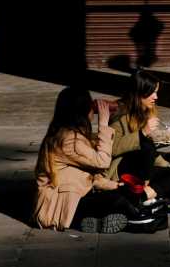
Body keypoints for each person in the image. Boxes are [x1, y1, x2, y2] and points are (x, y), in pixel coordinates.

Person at [33, 86, 128, 233]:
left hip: (74, 196)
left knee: (122, 195)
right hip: (61, 207)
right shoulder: (69, 139)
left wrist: (113, 185)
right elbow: (102, 161)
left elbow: (82, 175)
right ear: (82, 112)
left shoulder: (65, 133)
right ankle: (86, 221)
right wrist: (103, 124)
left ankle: (92, 222)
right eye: (90, 107)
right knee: (119, 201)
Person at [102, 70, 170, 205]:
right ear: (139, 93)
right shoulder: (120, 114)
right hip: (125, 170)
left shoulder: (147, 111)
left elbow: (151, 150)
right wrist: (142, 133)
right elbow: (113, 148)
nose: (156, 97)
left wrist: (162, 146)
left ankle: (143, 194)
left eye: (156, 92)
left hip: (145, 169)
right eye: (152, 92)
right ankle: (146, 191)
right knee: (146, 147)